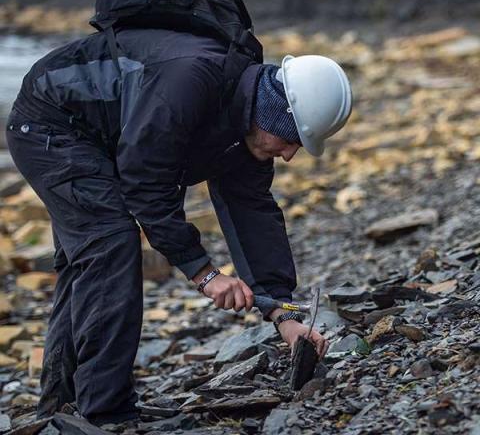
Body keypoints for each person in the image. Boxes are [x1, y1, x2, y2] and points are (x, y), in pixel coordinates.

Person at [6, 24, 352, 425]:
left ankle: (62, 408)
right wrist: (204, 274)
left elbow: (252, 214)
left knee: (88, 259)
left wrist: (284, 314)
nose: (290, 156)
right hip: (52, 123)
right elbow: (145, 181)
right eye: (292, 140)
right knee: (111, 241)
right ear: (273, 113)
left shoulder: (246, 125)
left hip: (104, 138)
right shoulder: (189, 82)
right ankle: (107, 414)